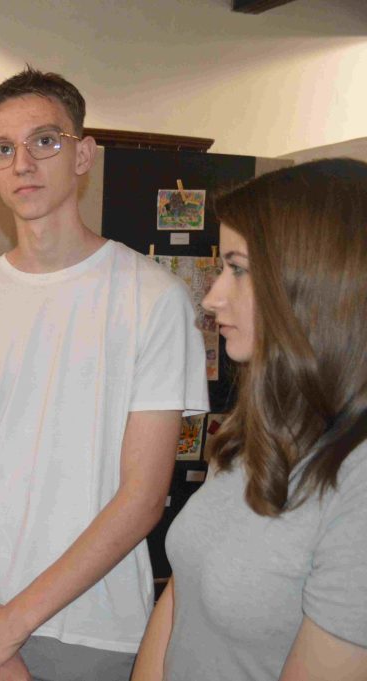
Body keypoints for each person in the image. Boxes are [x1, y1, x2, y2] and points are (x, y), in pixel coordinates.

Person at [0, 67, 208, 680]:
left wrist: (11, 627)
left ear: (83, 155)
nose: (22, 163)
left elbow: (143, 496)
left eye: (44, 141)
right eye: (2, 149)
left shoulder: (154, 299)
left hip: (93, 625)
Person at [131, 158, 367, 680]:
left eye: (237, 269)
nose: (212, 298)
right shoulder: (256, 433)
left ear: (315, 284)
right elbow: (183, 595)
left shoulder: (358, 477)